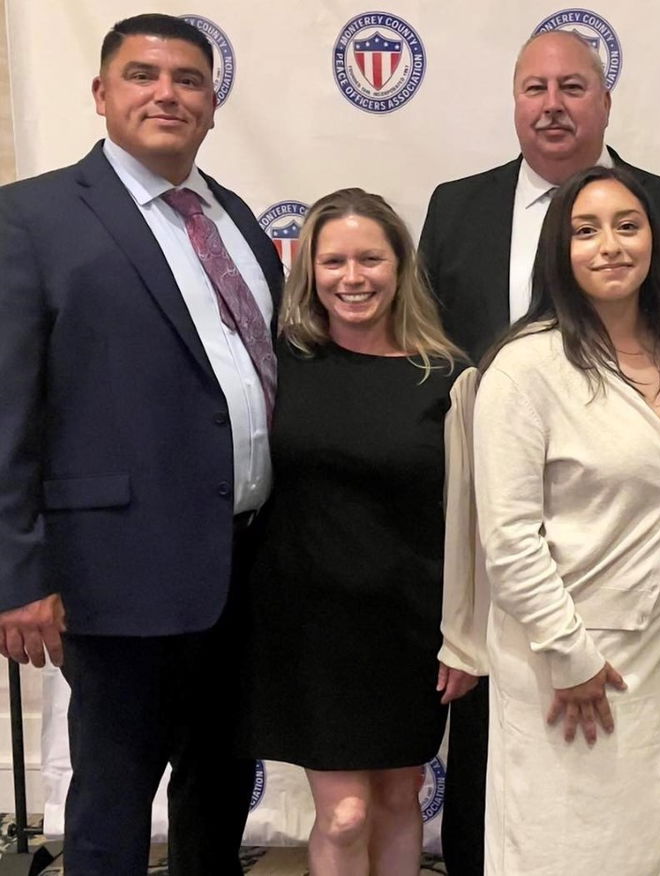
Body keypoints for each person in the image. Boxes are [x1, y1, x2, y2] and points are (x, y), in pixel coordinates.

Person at [419, 29, 660, 873]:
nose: (611, 245)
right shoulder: (463, 222)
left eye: (573, 87)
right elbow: (444, 392)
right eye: (534, 88)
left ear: (605, 100)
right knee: (533, 821)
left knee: (648, 834)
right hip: (544, 620)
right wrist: (541, 638)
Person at [0, 14, 281, 874]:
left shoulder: (230, 215)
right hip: (113, 569)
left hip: (244, 564)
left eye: (188, 79)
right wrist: (18, 574)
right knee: (113, 799)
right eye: (142, 75)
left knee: (220, 788)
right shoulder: (31, 217)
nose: (167, 93)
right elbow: (6, 406)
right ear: (101, 94)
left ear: (211, 102)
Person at [242, 188, 470, 876]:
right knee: (343, 817)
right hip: (308, 630)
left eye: (370, 258)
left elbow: (471, 522)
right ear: (309, 271)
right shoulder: (280, 363)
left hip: (410, 628)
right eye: (333, 260)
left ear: (400, 267)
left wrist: (463, 632)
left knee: (404, 793)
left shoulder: (448, 376)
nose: (352, 276)